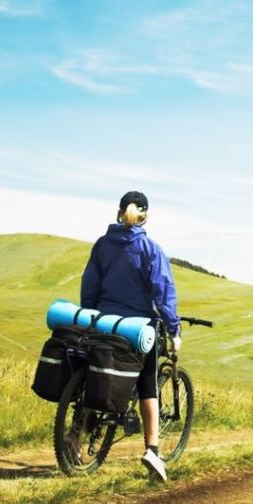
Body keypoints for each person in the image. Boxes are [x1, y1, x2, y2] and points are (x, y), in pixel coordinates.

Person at [80, 190, 181, 482]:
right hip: (136, 329)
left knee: (93, 375)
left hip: (103, 323)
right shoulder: (150, 249)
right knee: (148, 385)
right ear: (145, 215)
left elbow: (89, 287)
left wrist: (91, 316)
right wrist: (173, 329)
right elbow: (163, 295)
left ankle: (75, 435)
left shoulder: (101, 246)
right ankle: (152, 450)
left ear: (120, 211)